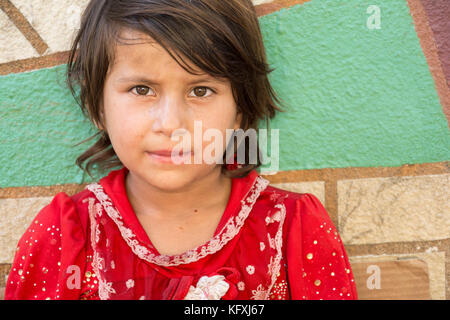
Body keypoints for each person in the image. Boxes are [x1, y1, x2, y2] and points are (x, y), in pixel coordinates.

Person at [5, 0, 357, 300]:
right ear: (98, 107)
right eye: (142, 89)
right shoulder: (69, 237)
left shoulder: (290, 228)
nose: (171, 123)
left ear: (240, 110)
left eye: (201, 90)